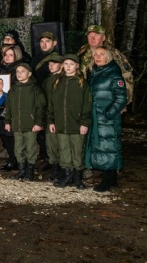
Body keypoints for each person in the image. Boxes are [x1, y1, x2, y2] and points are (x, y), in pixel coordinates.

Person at [48, 54, 92, 190]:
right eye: (65, 64)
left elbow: (87, 104)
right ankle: (67, 175)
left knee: (77, 150)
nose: (68, 67)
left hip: (76, 124)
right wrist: (51, 121)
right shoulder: (57, 82)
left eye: (71, 64)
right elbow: (51, 104)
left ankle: (78, 177)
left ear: (77, 66)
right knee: (64, 150)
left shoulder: (82, 84)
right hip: (61, 124)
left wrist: (84, 122)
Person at [86, 47, 127, 192]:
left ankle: (108, 180)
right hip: (96, 115)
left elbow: (121, 97)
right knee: (100, 146)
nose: (98, 57)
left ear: (108, 57)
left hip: (107, 117)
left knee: (109, 146)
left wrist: (109, 113)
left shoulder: (114, 74)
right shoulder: (94, 72)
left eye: (101, 54)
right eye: (95, 55)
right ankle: (110, 179)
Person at [4, 63, 46, 182]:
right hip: (17, 125)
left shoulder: (35, 89)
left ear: (29, 73)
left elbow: (40, 107)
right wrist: (7, 121)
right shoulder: (13, 89)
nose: (19, 74)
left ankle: (30, 171)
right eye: (17, 71)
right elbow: (8, 108)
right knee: (18, 148)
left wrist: (38, 123)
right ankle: (21, 170)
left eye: (22, 71)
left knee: (31, 148)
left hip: (31, 125)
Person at [77, 24, 133, 106]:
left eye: (96, 35)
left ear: (103, 38)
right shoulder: (82, 52)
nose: (92, 38)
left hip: (106, 102)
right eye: (90, 36)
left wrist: (122, 103)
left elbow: (127, 76)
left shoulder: (114, 54)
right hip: (84, 101)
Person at [41, 53, 64, 181]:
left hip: (61, 116)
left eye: (54, 63)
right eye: (49, 64)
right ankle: (55, 167)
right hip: (49, 115)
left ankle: (62, 168)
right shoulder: (47, 81)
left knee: (62, 143)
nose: (51, 66)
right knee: (51, 143)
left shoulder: (65, 79)